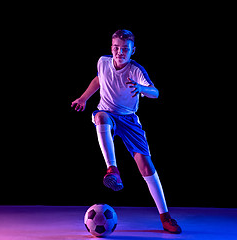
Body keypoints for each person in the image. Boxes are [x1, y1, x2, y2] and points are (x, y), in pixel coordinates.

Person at [71, 29, 181, 234]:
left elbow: (155, 92)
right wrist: (84, 98)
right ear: (111, 48)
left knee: (146, 167)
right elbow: (98, 80)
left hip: (129, 119)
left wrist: (142, 89)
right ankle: (112, 169)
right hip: (107, 112)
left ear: (132, 51)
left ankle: (165, 217)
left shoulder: (135, 70)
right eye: (116, 48)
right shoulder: (103, 62)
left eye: (124, 49)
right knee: (101, 117)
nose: (119, 52)